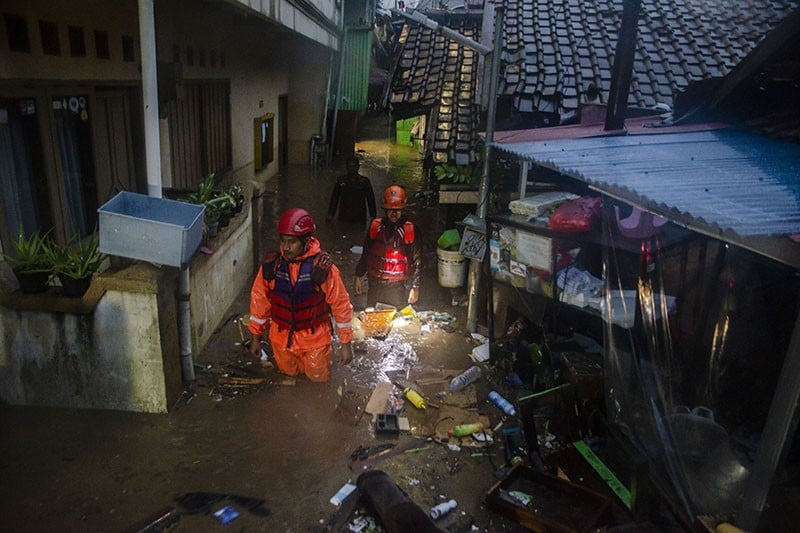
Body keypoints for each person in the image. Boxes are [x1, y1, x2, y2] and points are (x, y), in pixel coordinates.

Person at [248, 208, 353, 382]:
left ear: (306, 241)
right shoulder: (271, 267)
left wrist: (346, 344)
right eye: (283, 241)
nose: (286, 247)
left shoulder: (322, 269)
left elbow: (340, 305)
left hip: (315, 340)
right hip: (281, 340)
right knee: (288, 379)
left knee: (318, 382)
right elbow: (259, 302)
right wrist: (255, 337)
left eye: (292, 242)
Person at [354, 185, 421, 308]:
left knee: (396, 321)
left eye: (397, 210)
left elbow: (418, 261)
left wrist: (415, 287)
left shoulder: (410, 231)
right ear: (385, 210)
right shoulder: (376, 227)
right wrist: (358, 275)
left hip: (397, 286)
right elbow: (366, 253)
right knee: (372, 317)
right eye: (391, 210)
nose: (394, 214)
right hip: (375, 283)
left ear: (403, 210)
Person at [327, 156, 377, 225]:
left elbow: (370, 199)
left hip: (360, 217)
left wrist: (373, 216)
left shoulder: (364, 181)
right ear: (346, 167)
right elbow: (334, 198)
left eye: (354, 166)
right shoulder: (341, 181)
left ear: (358, 167)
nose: (352, 169)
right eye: (349, 166)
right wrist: (331, 214)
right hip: (344, 216)